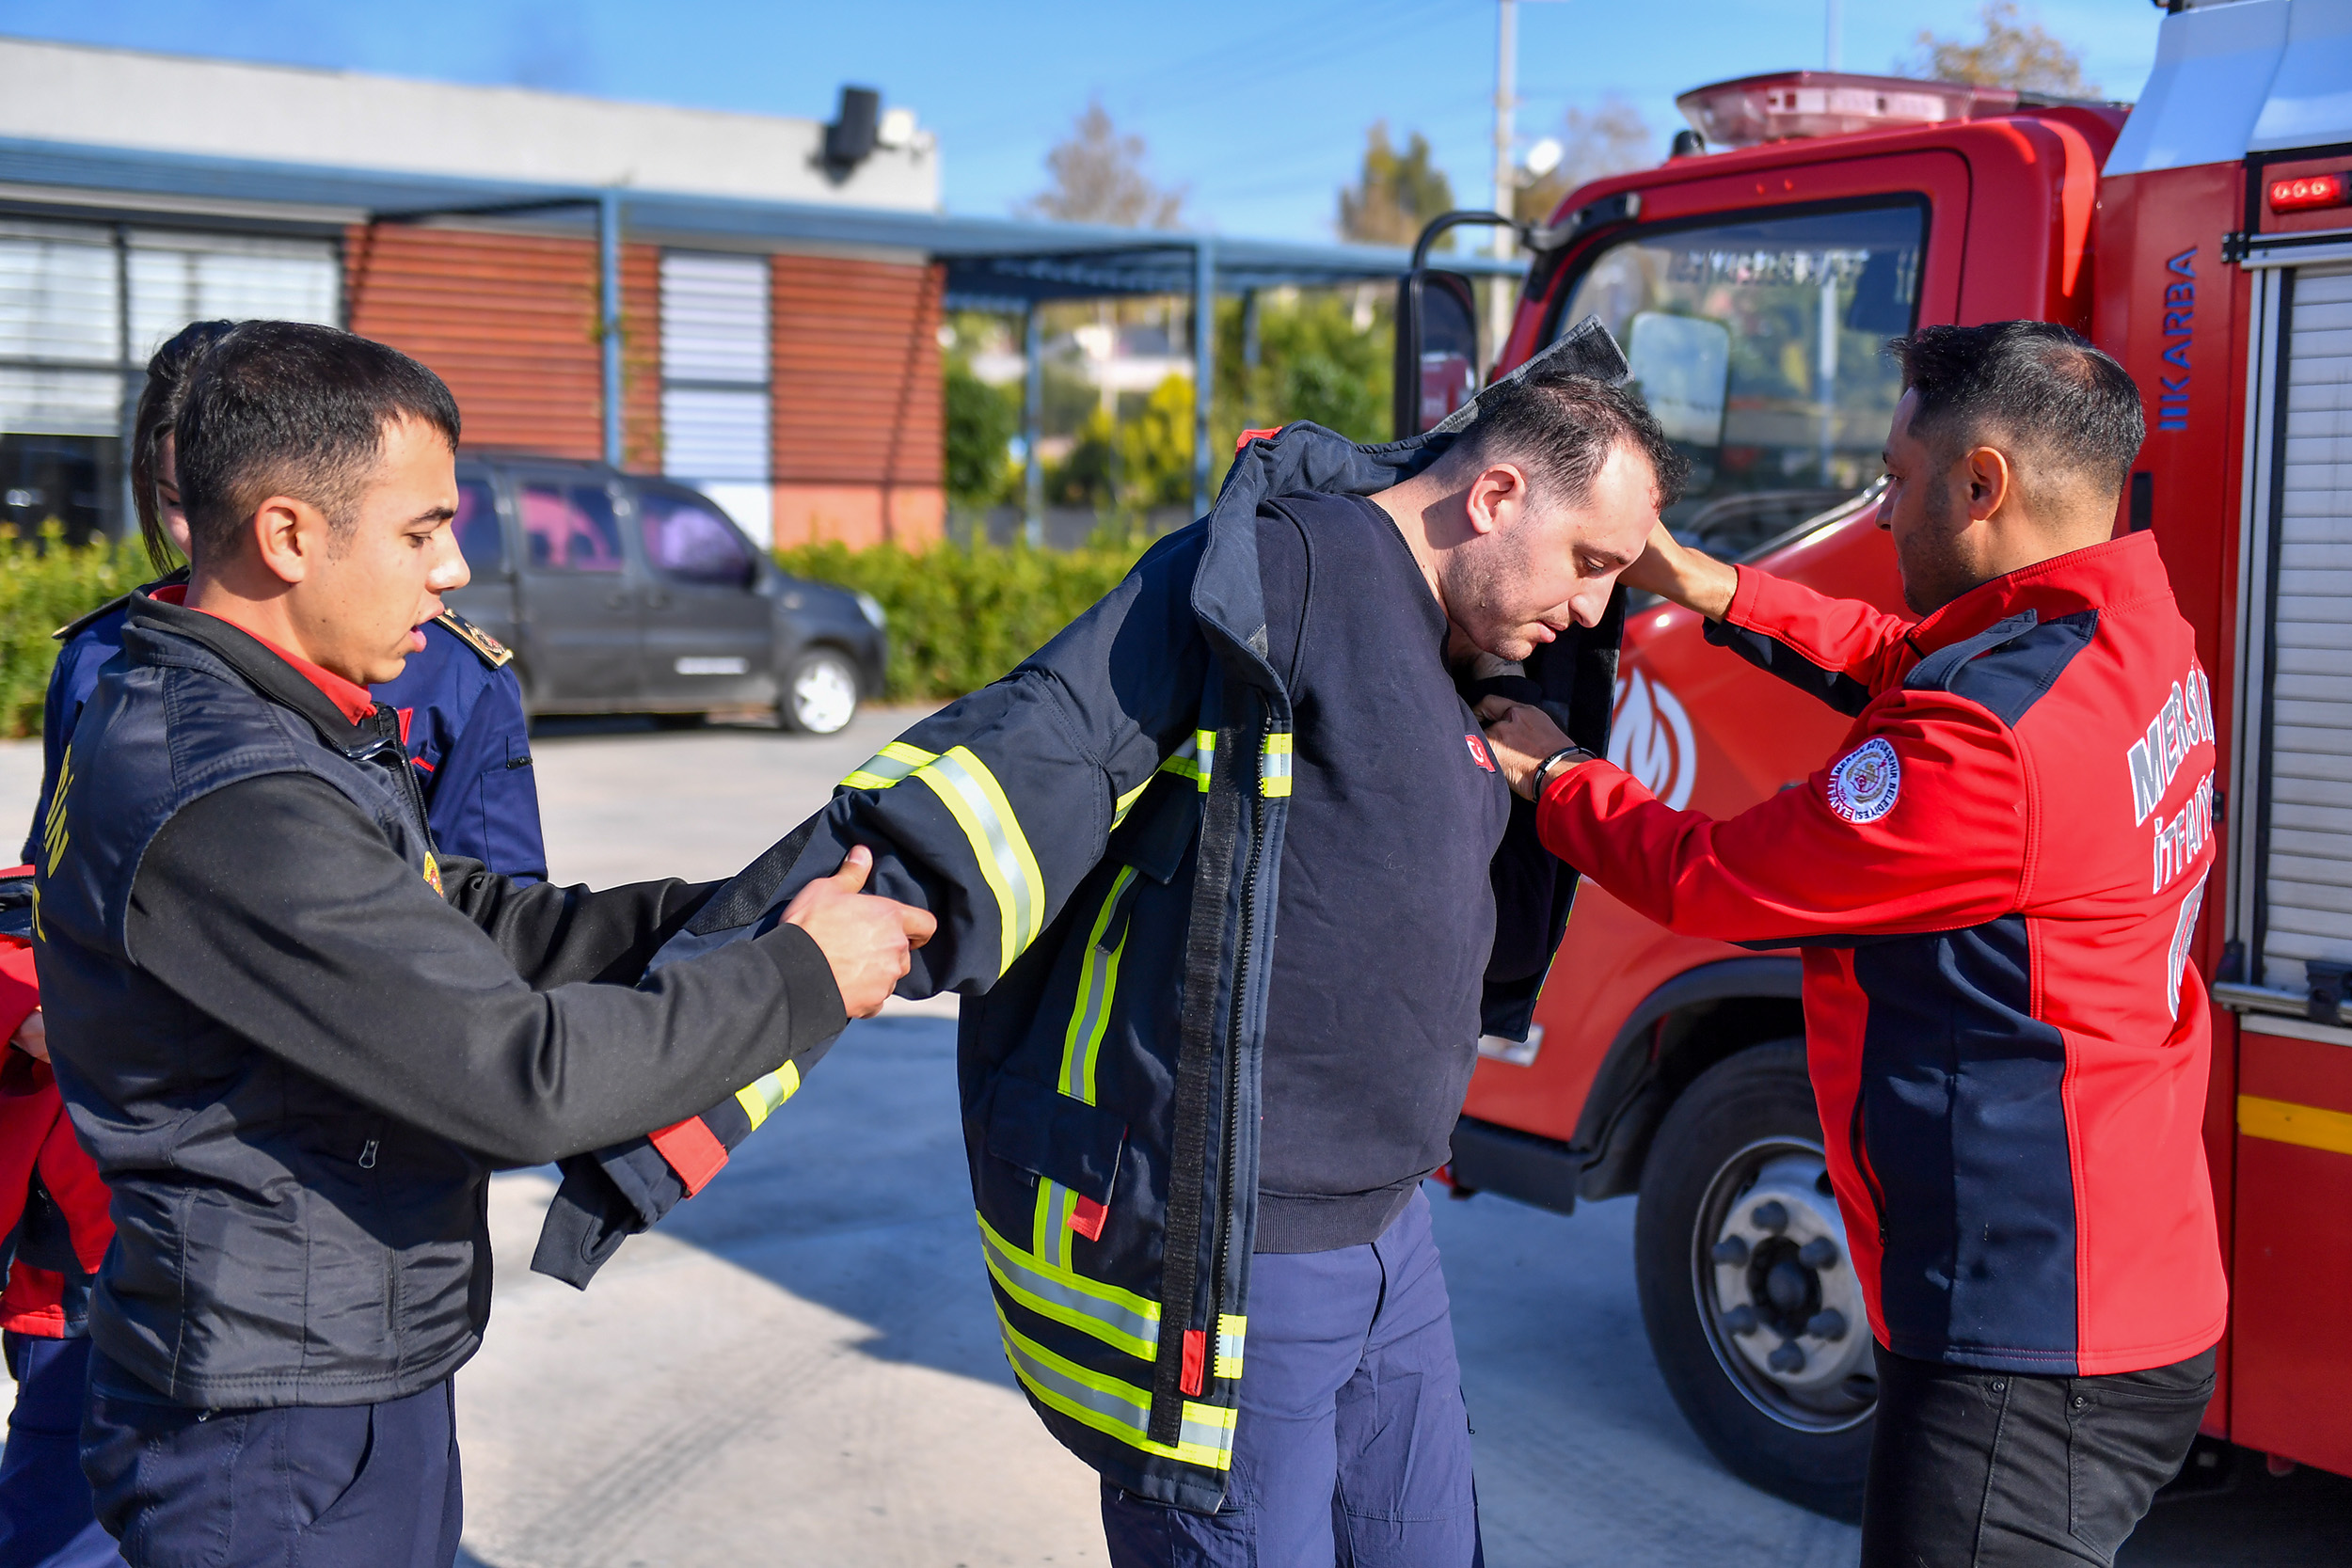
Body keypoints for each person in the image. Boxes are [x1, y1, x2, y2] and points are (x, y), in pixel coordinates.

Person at [538, 322, 1678, 1566]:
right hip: (1242, 1266)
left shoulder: (1463, 639)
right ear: (1495, 494)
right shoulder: (1279, 577)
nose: (1592, 609)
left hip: (1395, 1241)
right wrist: (703, 1031)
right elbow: (1030, 764)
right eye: (1590, 562)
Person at [31, 320, 933, 1568]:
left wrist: (730, 910)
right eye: (422, 531)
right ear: (290, 535)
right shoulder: (229, 796)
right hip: (274, 1427)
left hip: (330, 1371)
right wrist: (799, 979)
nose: (454, 569)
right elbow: (519, 1078)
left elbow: (474, 923)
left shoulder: (275, 726)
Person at [1479, 321, 2223, 1566]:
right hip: (2129, 1283)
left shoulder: (1988, 746)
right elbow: (1906, 665)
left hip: (2023, 1344)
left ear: (1983, 484)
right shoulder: (2128, 636)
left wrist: (1555, 778)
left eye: (1895, 477)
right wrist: (1699, 580)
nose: (1881, 515)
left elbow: (1718, 876)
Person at [7, 321, 552, 1568]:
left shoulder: (450, 678)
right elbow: (63, 876)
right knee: (55, 1509)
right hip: (130, 1205)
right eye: (170, 493)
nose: (195, 527)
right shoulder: (112, 663)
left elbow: (491, 938)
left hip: (340, 1250)